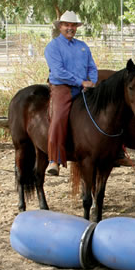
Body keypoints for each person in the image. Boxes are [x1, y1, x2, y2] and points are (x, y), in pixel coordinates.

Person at [44, 10, 98, 176]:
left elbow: (92, 67)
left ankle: (115, 151)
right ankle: (54, 160)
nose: (70, 28)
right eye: (67, 25)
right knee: (58, 117)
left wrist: (93, 82)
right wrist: (80, 82)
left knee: (106, 110)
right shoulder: (53, 47)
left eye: (73, 25)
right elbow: (58, 72)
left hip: (84, 87)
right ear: (60, 27)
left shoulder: (83, 46)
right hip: (63, 87)